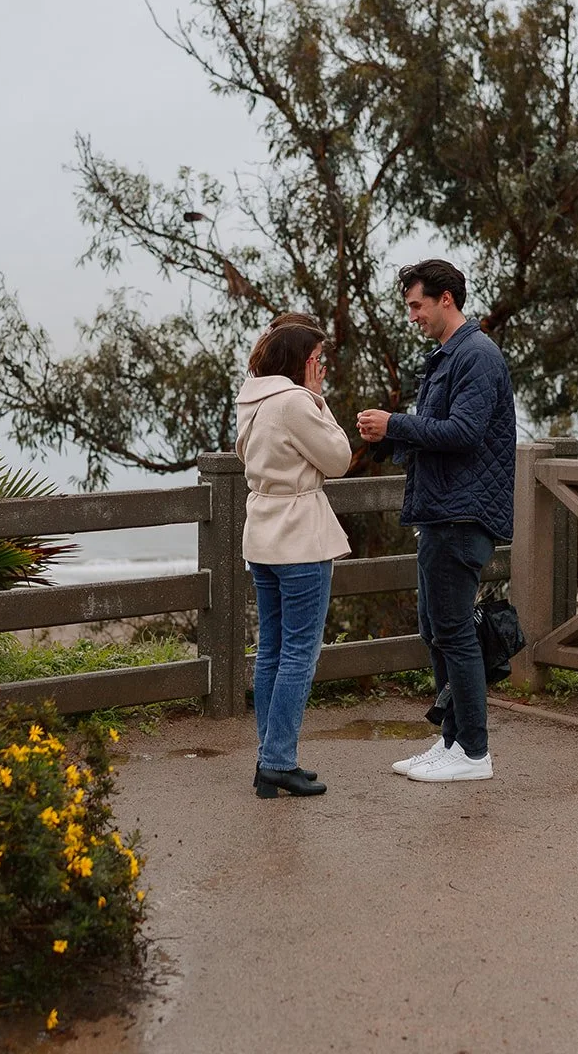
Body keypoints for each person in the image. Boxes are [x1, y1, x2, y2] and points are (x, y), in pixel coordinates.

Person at [357, 259, 515, 784]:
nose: (412, 316)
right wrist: (389, 435)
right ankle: (451, 741)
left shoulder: (476, 355)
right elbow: (438, 433)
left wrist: (396, 421)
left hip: (462, 514)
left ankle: (473, 752)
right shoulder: (451, 355)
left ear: (446, 299)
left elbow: (464, 432)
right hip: (443, 510)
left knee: (452, 631)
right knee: (435, 628)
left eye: (416, 305)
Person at [236, 322, 353, 798]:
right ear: (304, 361)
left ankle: (272, 756)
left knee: (272, 650)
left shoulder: (253, 401)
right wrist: (319, 399)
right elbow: (339, 457)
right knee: (299, 653)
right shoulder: (295, 402)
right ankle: (277, 761)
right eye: (318, 359)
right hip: (299, 537)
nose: (321, 368)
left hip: (262, 534)